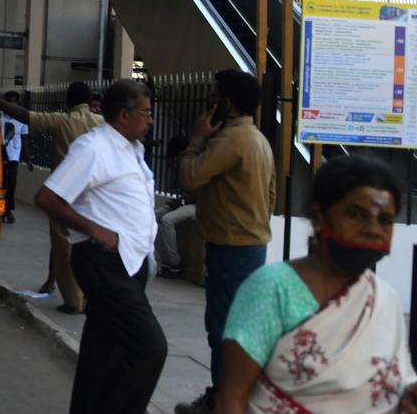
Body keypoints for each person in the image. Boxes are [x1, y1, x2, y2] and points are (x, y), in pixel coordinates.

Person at [216, 155, 417, 413]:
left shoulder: (385, 300)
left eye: (385, 220)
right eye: (356, 214)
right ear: (319, 215)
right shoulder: (273, 289)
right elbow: (231, 398)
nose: (373, 229)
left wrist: (408, 396)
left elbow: (395, 385)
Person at [34, 80, 167, 414]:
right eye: (145, 113)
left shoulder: (132, 150)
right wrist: (94, 228)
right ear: (124, 115)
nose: (150, 120)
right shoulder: (94, 148)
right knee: (150, 347)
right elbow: (47, 197)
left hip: (130, 264)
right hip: (102, 261)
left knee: (103, 353)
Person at [175, 71, 276, 414]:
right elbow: (271, 194)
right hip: (250, 246)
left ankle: (222, 401)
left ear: (227, 104)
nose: (210, 103)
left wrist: (196, 138)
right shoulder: (258, 139)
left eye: (215, 96)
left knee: (223, 330)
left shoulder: (230, 140)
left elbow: (189, 176)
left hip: (232, 249)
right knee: (236, 328)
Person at [0, 81, 102, 312]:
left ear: (69, 101)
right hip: (94, 194)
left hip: (64, 195)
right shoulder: (102, 124)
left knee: (64, 246)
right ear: (89, 101)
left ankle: (74, 301)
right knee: (89, 245)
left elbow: (24, 116)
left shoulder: (62, 120)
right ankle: (87, 296)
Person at [155, 135, 195, 279]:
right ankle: (161, 259)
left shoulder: (195, 161)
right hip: (186, 201)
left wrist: (182, 202)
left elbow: (202, 194)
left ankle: (174, 262)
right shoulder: (184, 162)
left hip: (199, 205)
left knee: (167, 220)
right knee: (155, 216)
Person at [0, 91, 30, 225]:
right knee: (1, 181)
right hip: (0, 152)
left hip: (14, 154)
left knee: (12, 181)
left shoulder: (21, 119)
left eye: (15, 104)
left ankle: (8, 209)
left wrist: (28, 158)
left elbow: (24, 138)